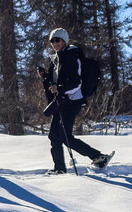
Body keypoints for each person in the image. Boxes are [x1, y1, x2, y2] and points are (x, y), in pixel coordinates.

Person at [38, 27, 112, 172]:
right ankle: (59, 168)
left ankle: (99, 157)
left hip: (71, 101)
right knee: (54, 136)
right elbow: (54, 83)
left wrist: (60, 89)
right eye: (52, 41)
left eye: (57, 40)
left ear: (64, 40)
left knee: (65, 136)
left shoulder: (72, 56)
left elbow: (76, 83)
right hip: (61, 101)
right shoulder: (56, 59)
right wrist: (45, 76)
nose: (54, 43)